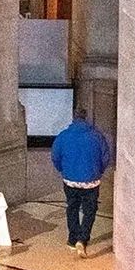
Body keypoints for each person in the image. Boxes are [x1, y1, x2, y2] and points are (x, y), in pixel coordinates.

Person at [50, 108, 112, 256]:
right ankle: (82, 239)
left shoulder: (63, 136)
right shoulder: (97, 136)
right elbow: (106, 157)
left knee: (72, 207)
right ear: (86, 119)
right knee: (89, 210)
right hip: (91, 180)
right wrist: (99, 171)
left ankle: (72, 239)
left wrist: (63, 170)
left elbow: (55, 156)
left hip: (70, 180)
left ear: (73, 119)